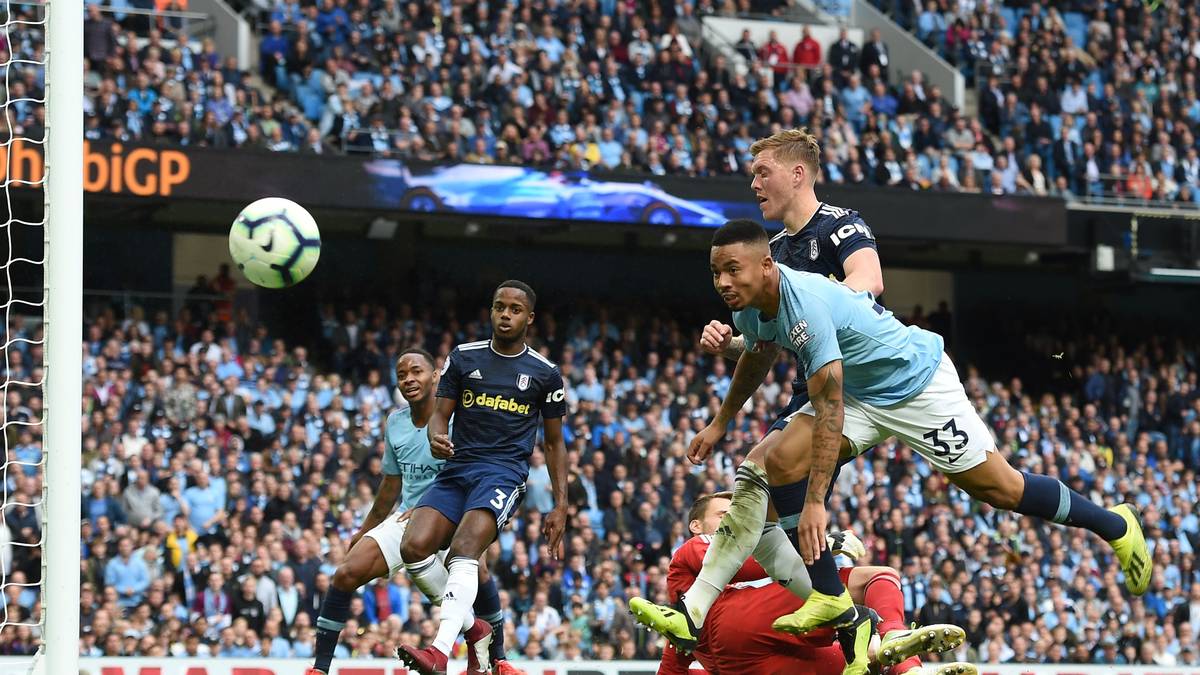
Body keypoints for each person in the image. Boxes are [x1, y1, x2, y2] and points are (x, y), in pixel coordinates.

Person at [633, 220, 1150, 666]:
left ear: (767, 265)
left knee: (1001, 489)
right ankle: (832, 601)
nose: (723, 283)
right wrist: (721, 422)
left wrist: (816, 503)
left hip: (915, 387)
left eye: (733, 271)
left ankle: (1114, 523)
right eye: (716, 273)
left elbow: (829, 405)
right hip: (859, 394)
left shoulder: (805, 304)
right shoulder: (750, 302)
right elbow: (758, 354)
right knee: (774, 460)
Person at [649, 127, 887, 672]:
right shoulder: (771, 253)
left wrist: (818, 311)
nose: (753, 183)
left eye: (762, 172)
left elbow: (868, 281)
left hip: (854, 387)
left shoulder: (840, 225)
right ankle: (854, 622)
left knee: (757, 479)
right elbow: (767, 340)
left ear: (797, 173)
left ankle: (702, 608)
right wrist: (730, 342)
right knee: (763, 512)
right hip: (810, 390)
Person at [305, 349, 524, 675]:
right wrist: (366, 528)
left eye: (417, 372)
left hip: (457, 515)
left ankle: (500, 659)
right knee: (345, 572)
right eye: (402, 375)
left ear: (436, 376)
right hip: (410, 516)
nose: (409, 379)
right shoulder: (395, 422)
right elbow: (390, 486)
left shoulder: (460, 417)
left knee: (477, 567)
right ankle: (320, 669)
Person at [396, 280, 569, 675]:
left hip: (503, 473)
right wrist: (436, 435)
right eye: (498, 307)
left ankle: (439, 652)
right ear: (490, 311)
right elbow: (441, 413)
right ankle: (475, 628)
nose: (505, 315)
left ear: (529, 318)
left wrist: (561, 504)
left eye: (514, 309)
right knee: (413, 547)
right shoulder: (463, 357)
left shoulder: (544, 373)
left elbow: (556, 444)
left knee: (463, 550)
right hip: (458, 468)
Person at [657, 492, 977, 675]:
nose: (734, 520)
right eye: (724, 514)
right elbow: (736, 563)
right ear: (696, 525)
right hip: (737, 625)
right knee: (849, 597)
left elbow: (676, 650)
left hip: (751, 659)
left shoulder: (695, 590)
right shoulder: (697, 546)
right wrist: (818, 542)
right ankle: (883, 632)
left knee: (866, 652)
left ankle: (907, 663)